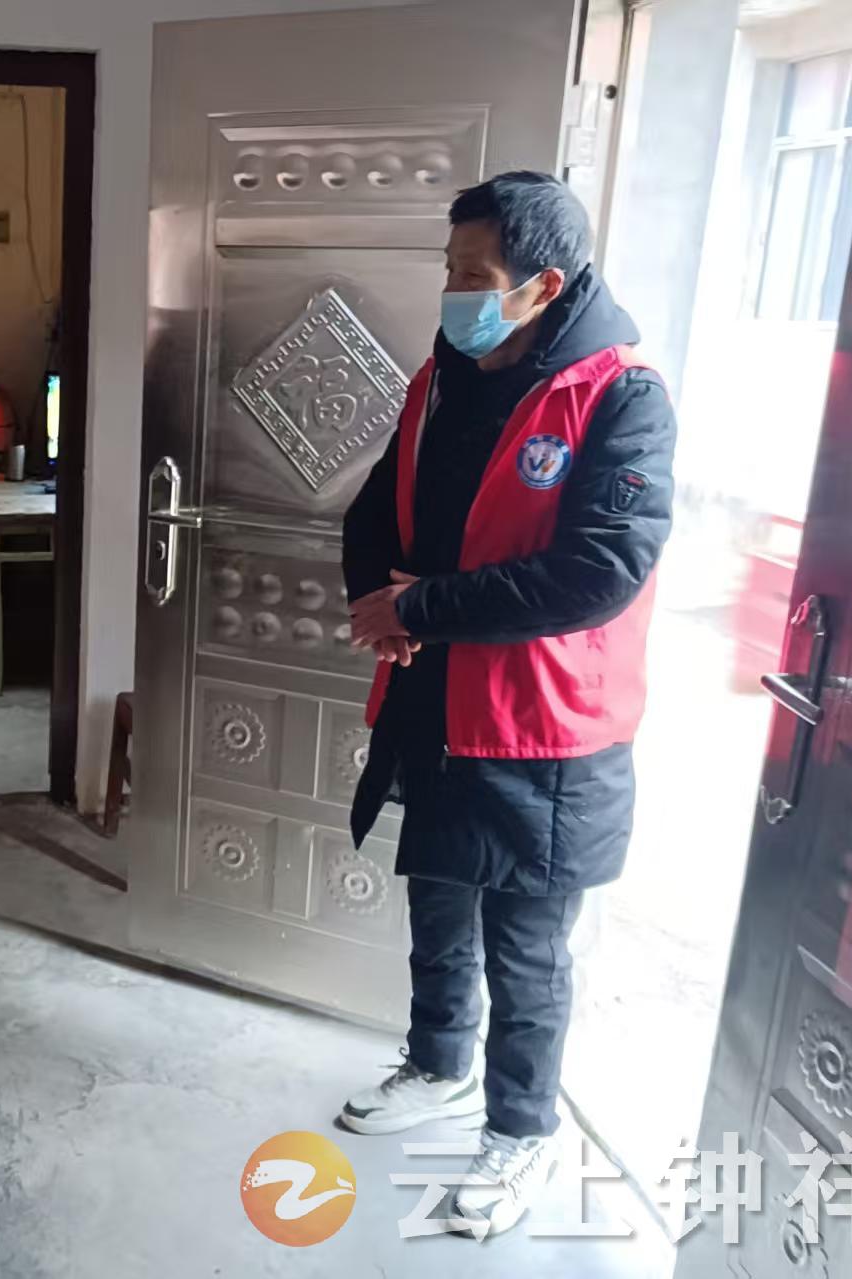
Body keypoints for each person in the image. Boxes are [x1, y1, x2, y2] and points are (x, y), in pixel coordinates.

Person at [337, 173, 676, 1234]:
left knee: (526, 947)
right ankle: (438, 1062)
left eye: (473, 275)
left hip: (544, 726)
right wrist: (379, 604)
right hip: (433, 692)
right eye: (448, 270)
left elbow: (600, 571)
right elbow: (373, 507)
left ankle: (521, 1130)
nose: (453, 292)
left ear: (545, 286)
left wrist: (423, 606)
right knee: (436, 896)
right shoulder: (441, 379)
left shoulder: (621, 396)